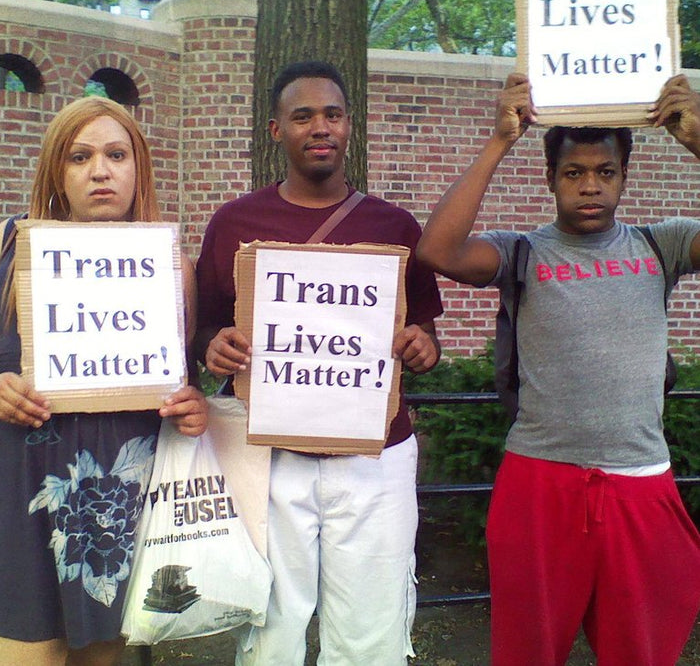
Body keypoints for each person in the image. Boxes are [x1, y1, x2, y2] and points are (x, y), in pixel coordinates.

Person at [416, 72, 700, 665]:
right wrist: (499, 141)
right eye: (574, 173)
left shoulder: (660, 245)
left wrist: (699, 141)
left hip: (639, 480)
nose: (590, 187)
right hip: (539, 481)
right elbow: (438, 249)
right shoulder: (523, 251)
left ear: (624, 177)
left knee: (641, 651)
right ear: (551, 179)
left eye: (605, 172)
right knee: (528, 651)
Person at [196, 60, 443, 665]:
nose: (320, 127)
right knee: (271, 624)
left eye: (332, 114)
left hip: (374, 455)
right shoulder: (234, 223)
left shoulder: (395, 226)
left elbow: (426, 332)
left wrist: (422, 347)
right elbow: (202, 325)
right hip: (270, 454)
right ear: (276, 129)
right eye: (302, 115)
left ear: (349, 126)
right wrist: (214, 344)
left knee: (371, 629)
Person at [0, 96, 207, 666]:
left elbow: (180, 386)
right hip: (22, 498)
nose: (100, 171)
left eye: (116, 154)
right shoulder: (8, 249)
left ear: (137, 167)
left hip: (120, 506)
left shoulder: (172, 268)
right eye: (79, 157)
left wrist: (193, 409)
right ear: (56, 173)